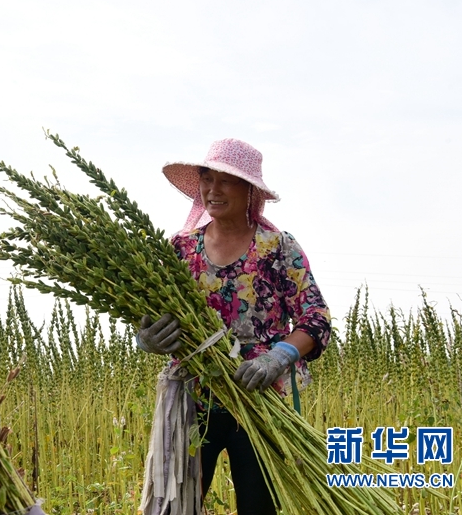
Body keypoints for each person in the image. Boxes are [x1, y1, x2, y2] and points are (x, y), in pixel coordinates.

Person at [137, 138, 332, 515]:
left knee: (259, 506)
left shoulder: (277, 248)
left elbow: (316, 317)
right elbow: (150, 313)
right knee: (176, 506)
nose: (213, 190)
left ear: (250, 191)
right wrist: (147, 338)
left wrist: (278, 356)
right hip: (193, 401)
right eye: (207, 179)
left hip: (260, 401)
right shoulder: (181, 249)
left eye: (227, 181)